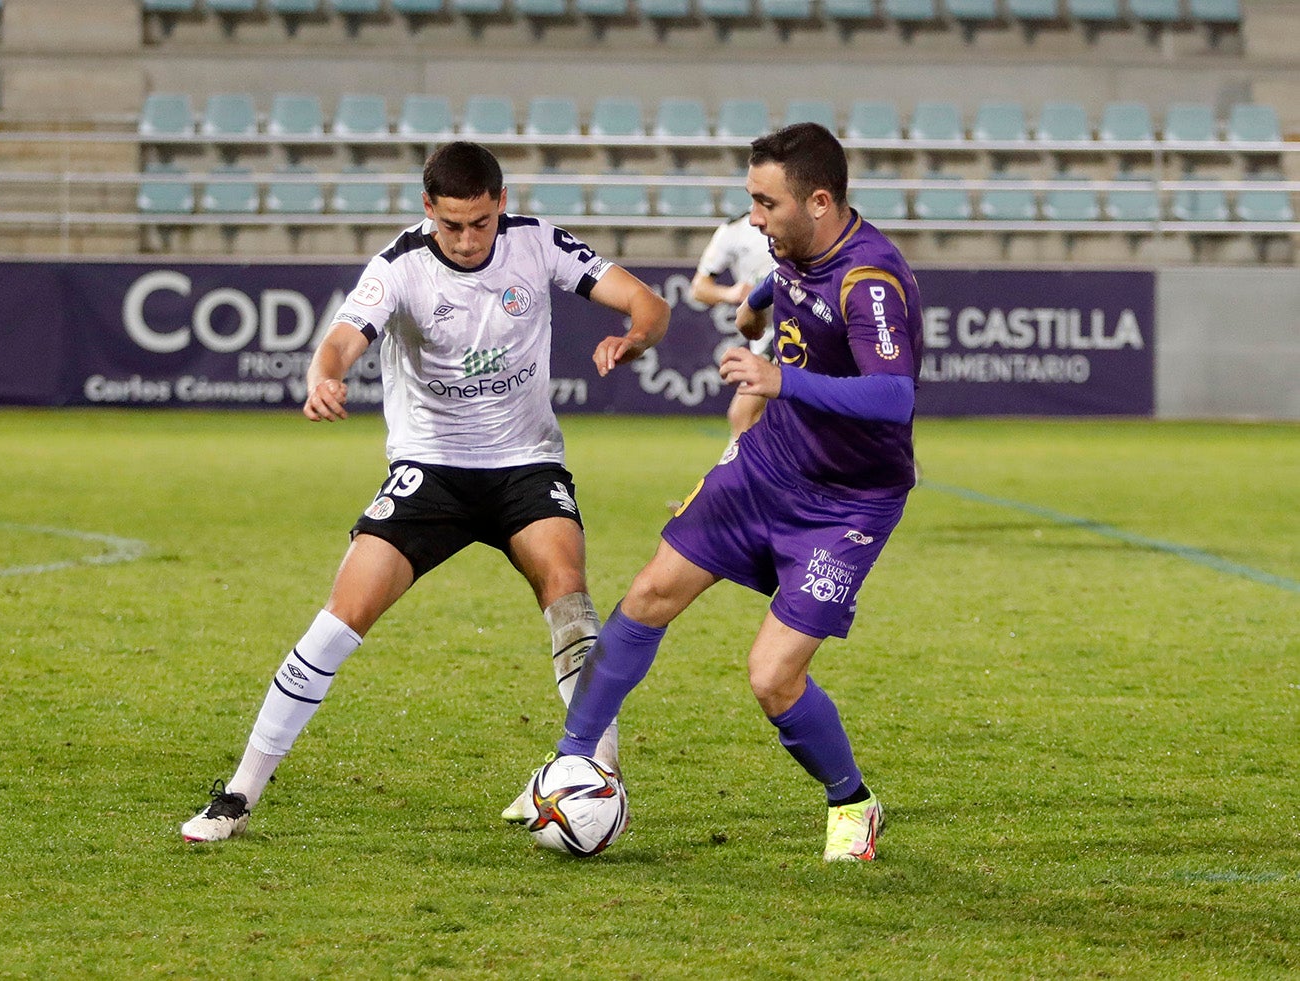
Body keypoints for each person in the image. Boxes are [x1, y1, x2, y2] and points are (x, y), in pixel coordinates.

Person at [182, 141, 671, 843]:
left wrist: (634, 339)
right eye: (452, 225)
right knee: (343, 613)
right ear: (427, 210)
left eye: (480, 222)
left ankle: (592, 774)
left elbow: (647, 303)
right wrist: (325, 376)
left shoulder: (537, 244)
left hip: (525, 465)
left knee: (568, 588)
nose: (468, 240)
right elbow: (342, 339)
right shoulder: (401, 264)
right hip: (431, 468)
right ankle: (238, 792)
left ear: (500, 204)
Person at [524, 122, 924, 862]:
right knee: (648, 593)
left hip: (847, 503)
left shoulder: (871, 281)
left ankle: (853, 803)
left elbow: (895, 397)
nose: (755, 219)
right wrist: (758, 306)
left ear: (820, 201)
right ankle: (573, 759)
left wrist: (781, 378)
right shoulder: (792, 245)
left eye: (766, 203)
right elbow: (785, 279)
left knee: (772, 677)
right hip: (767, 466)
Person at [690, 211, 775, 439]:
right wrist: (731, 293)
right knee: (750, 418)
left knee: (742, 413)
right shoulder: (734, 230)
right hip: (763, 336)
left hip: (795, 331)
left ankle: (734, 470)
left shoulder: (795, 222)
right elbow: (699, 288)